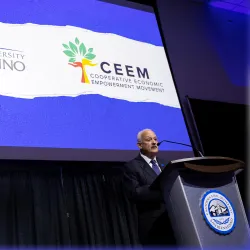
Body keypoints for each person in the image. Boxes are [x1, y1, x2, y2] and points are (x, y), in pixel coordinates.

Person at [123, 129, 176, 246]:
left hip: (175, 221)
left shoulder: (167, 164)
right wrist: (162, 189)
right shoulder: (131, 166)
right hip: (153, 226)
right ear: (139, 145)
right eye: (149, 139)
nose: (154, 142)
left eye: (155, 139)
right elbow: (135, 193)